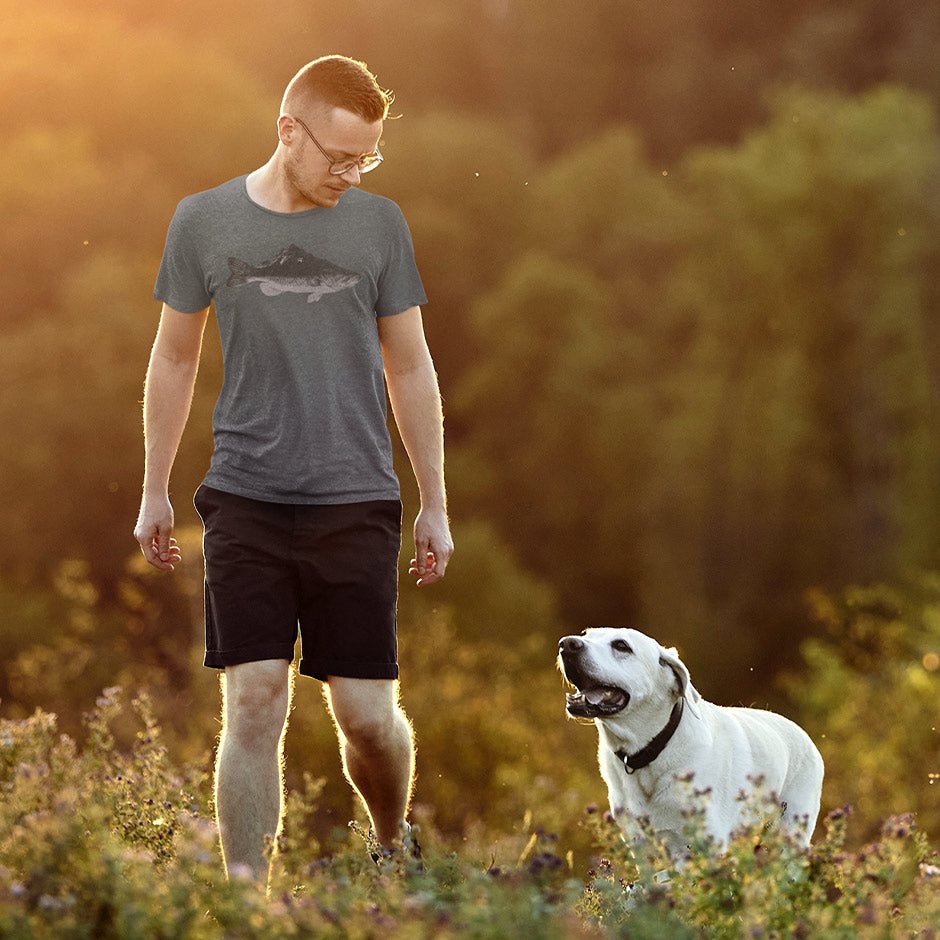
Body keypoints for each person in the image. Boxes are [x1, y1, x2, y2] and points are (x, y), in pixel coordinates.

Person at [133, 55, 453, 883]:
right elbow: (172, 358)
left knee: (366, 717)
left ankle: (391, 848)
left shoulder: (380, 226)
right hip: (245, 496)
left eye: (366, 159)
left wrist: (434, 504)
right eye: (339, 157)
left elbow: (411, 368)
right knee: (255, 700)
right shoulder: (202, 221)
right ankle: (247, 900)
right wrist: (154, 490)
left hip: (357, 500)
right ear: (289, 131)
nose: (352, 175)